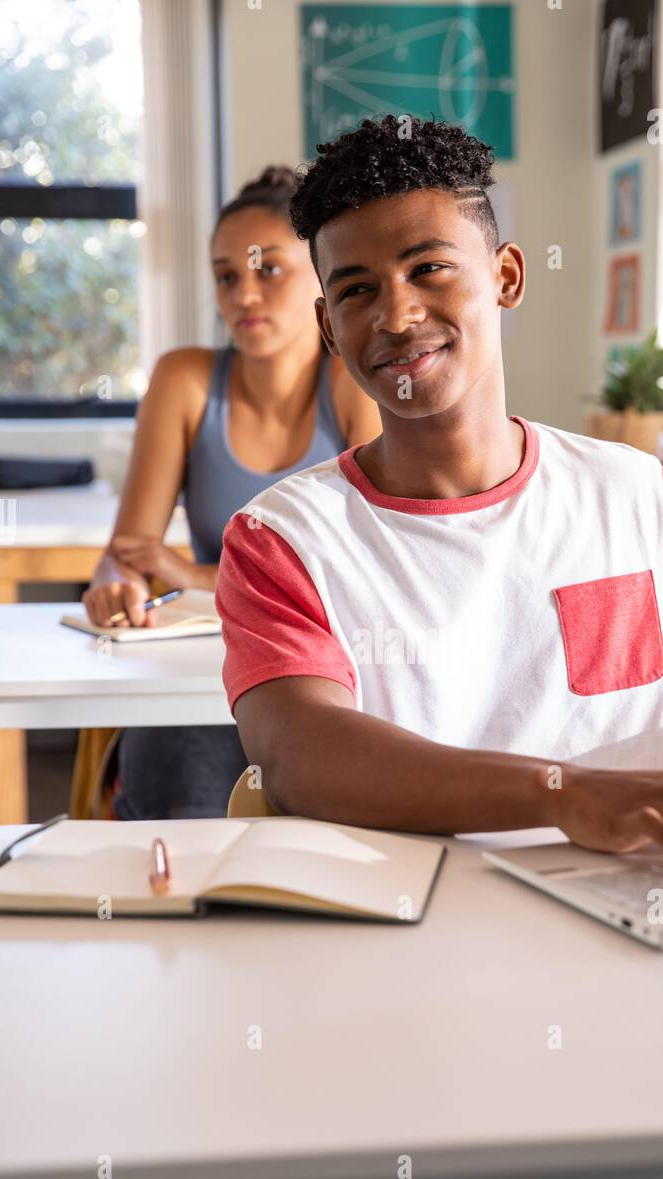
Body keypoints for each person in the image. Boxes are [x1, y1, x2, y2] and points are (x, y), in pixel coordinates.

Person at [215, 117, 663, 1179]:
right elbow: (302, 751)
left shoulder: (630, 496)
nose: (393, 314)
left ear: (502, 275)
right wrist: (569, 794)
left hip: (655, 962)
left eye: (426, 268)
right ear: (327, 321)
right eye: (352, 288)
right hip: (413, 988)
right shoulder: (283, 538)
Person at [83, 166, 379, 818]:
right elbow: (127, 553)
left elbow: (368, 576)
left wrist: (190, 572)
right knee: (182, 811)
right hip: (202, 680)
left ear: (321, 278)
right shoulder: (185, 380)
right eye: (226, 276)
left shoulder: (353, 384)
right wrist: (115, 586)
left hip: (326, 679)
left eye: (268, 270)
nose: (244, 293)